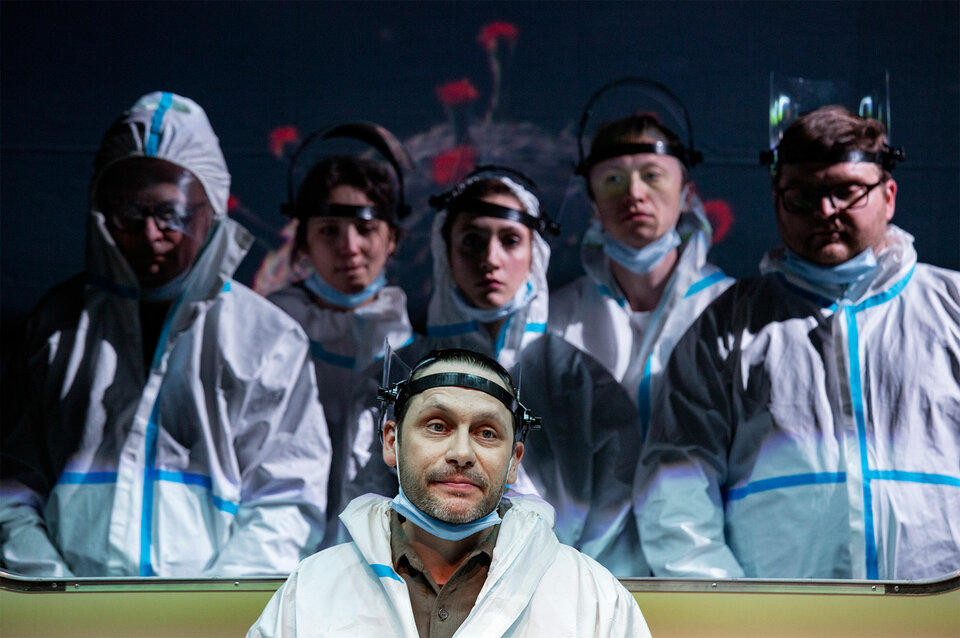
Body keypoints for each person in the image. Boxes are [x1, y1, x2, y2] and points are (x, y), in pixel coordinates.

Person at [0, 92, 330, 577]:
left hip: (214, 610)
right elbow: (13, 483)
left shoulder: (266, 338)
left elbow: (287, 497)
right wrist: (53, 593)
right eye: (130, 213)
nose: (150, 234)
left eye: (171, 214)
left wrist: (213, 607)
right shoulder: (57, 327)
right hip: (65, 606)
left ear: (211, 210)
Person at [637, 105, 960, 580]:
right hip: (782, 615)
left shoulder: (952, 308)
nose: (825, 210)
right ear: (776, 202)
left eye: (847, 191)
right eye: (803, 195)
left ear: (888, 196)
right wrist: (731, 610)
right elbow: (675, 492)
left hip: (942, 610)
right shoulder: (727, 326)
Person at [345, 167, 646, 576]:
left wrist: (566, 584)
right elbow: (362, 510)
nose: (490, 258)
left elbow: (616, 518)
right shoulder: (389, 380)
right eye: (472, 240)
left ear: (535, 253)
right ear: (446, 253)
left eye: (510, 240)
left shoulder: (582, 382)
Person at [247, 348, 650, 638]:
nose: (462, 453)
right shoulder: (313, 589)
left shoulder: (592, 599)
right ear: (391, 442)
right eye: (437, 426)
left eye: (487, 433)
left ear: (514, 461)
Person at [550, 80, 733, 431]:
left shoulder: (730, 310)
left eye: (652, 176)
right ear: (592, 202)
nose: (634, 193)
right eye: (613, 180)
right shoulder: (557, 320)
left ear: (686, 193)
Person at [268, 123, 414, 545]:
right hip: (274, 544)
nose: (349, 247)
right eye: (329, 230)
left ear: (392, 238)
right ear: (303, 241)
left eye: (365, 229)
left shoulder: (412, 342)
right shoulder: (269, 329)